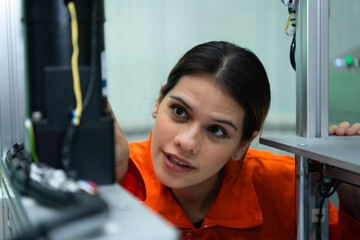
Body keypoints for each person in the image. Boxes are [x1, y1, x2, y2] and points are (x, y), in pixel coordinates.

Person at [110, 41, 360, 239]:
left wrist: (355, 204)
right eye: (179, 112)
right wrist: (112, 185)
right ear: (159, 101)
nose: (187, 142)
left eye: (217, 130)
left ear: (243, 143)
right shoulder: (115, 173)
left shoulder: (289, 188)